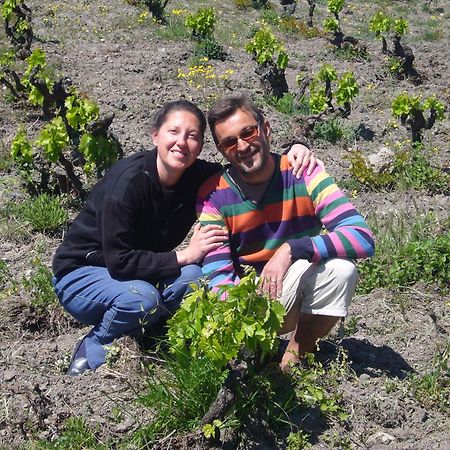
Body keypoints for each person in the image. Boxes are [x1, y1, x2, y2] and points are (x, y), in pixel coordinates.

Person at [52, 99, 318, 376]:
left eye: (192, 136)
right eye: (173, 132)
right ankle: (95, 346)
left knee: (196, 277)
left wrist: (295, 150)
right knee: (142, 299)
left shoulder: (197, 176)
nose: (182, 142)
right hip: (83, 273)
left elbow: (248, 164)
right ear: (155, 135)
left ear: (201, 146)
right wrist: (184, 255)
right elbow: (118, 261)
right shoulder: (127, 185)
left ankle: (151, 336)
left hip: (137, 271)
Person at [196, 95, 375, 372]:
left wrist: (291, 250)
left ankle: (292, 359)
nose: (243, 146)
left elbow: (361, 237)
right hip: (249, 298)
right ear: (221, 151)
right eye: (230, 142)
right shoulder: (213, 194)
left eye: (248, 132)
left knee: (341, 270)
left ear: (265, 129)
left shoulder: (304, 173)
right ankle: (256, 355)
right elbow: (219, 275)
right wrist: (239, 326)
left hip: (292, 286)